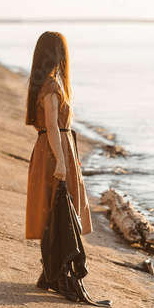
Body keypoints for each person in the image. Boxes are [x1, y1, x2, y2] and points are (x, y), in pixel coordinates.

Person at [25, 31, 93, 254]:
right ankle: (58, 269)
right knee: (60, 208)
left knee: (53, 210)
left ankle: (54, 269)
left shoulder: (41, 83)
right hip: (55, 149)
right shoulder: (51, 85)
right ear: (57, 55)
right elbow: (52, 125)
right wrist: (62, 161)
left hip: (52, 146)